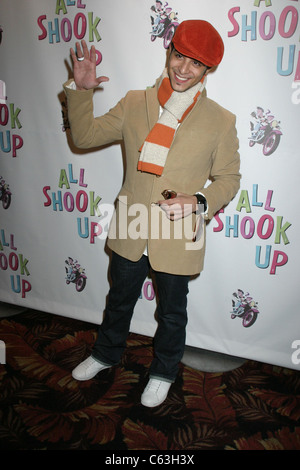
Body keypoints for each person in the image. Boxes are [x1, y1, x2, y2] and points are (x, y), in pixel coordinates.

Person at [64, 19, 240, 407]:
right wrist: (80, 91)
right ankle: (106, 354)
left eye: (196, 64)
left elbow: (229, 178)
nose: (183, 69)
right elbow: (85, 136)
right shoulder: (134, 102)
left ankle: (163, 371)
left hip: (179, 236)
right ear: (169, 52)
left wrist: (197, 201)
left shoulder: (220, 120)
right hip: (132, 228)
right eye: (180, 56)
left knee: (173, 314)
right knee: (119, 301)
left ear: (207, 71)